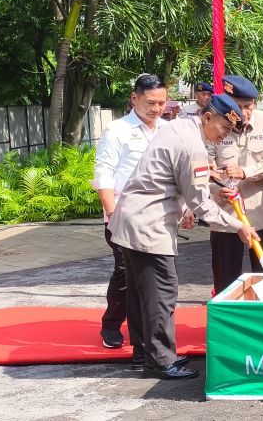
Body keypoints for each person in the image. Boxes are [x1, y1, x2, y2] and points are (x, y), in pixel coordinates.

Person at [108, 94, 256, 379]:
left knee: (141, 294)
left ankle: (143, 353)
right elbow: (200, 204)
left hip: (130, 219)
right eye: (223, 130)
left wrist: (211, 187)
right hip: (149, 225)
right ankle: (161, 361)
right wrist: (238, 224)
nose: (222, 137)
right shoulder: (194, 149)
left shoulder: (178, 127)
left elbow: (178, 178)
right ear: (208, 117)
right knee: (162, 293)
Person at [92, 74, 168, 349]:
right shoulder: (118, 130)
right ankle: (112, 324)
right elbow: (103, 172)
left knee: (154, 274)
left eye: (161, 102)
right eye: (150, 102)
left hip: (158, 216)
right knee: (126, 272)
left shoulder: (167, 130)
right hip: (123, 215)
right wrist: (112, 215)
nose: (156, 108)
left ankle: (149, 332)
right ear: (134, 99)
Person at [207, 75, 263, 294]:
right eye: (238, 106)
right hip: (226, 213)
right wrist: (215, 189)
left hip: (262, 211)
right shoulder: (213, 123)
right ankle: (228, 323)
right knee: (225, 277)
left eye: (248, 106)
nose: (244, 112)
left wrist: (245, 172)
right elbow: (206, 163)